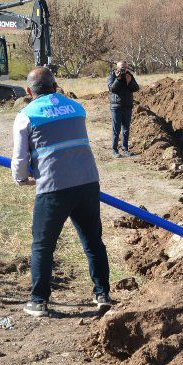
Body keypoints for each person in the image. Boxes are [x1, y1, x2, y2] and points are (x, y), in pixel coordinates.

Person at [12, 67, 111, 317]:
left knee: (42, 246)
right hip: (88, 182)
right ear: (55, 86)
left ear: (28, 91)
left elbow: (20, 158)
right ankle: (102, 294)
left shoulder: (26, 116)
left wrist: (22, 179)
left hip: (53, 187)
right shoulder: (77, 108)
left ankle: (38, 301)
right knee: (92, 241)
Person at [107, 61, 139, 158]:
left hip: (127, 106)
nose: (123, 70)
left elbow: (136, 88)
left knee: (126, 129)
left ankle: (125, 149)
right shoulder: (112, 75)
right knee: (116, 129)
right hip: (116, 106)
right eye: (121, 68)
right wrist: (118, 79)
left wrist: (129, 82)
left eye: (125, 68)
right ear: (117, 68)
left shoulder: (129, 75)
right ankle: (114, 150)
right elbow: (112, 89)